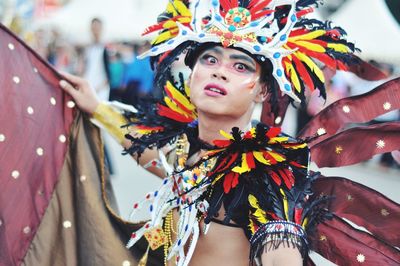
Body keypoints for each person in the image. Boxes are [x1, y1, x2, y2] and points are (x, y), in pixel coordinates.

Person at [58, 0, 400, 265]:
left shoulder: (268, 174)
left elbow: (280, 251)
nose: (220, 72)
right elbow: (151, 153)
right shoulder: (185, 148)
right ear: (190, 74)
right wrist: (96, 108)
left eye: (241, 66)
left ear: (263, 91)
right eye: (209, 60)